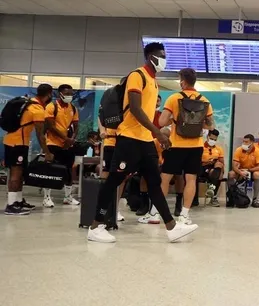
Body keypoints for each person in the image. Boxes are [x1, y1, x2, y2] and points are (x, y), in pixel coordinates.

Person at [87, 42, 198, 243]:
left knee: (154, 183)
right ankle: (96, 226)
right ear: (150, 57)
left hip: (145, 140)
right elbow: (135, 109)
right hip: (129, 138)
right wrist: (157, 133)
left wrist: (154, 135)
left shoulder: (154, 81)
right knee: (114, 180)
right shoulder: (137, 75)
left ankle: (171, 227)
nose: (164, 60)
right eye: (161, 56)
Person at [140, 68, 214, 225]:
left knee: (165, 178)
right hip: (196, 146)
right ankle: (184, 215)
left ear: (183, 82)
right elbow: (211, 126)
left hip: (176, 145)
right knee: (191, 179)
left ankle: (155, 213)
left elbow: (161, 122)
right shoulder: (204, 100)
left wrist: (174, 120)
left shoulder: (174, 98)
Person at [3, 84, 53, 215]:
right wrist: (47, 152)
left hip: (17, 142)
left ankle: (18, 201)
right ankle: (11, 205)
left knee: (20, 173)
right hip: (17, 143)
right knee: (16, 174)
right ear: (49, 94)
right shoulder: (37, 109)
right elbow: (40, 135)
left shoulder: (30, 102)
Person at [42, 84, 80, 207]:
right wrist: (65, 139)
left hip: (68, 145)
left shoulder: (73, 108)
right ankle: (46, 198)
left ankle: (68, 197)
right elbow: (50, 126)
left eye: (71, 94)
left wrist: (72, 139)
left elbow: (76, 125)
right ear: (60, 94)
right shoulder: (51, 106)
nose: (69, 96)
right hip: (53, 143)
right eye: (67, 94)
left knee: (68, 170)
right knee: (51, 170)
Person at [99, 119, 128, 223]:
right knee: (106, 175)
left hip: (124, 142)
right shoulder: (108, 108)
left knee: (121, 175)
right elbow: (100, 117)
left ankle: (115, 208)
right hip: (110, 142)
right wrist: (102, 130)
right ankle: (101, 207)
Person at [229, 134, 259, 206]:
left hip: (252, 170)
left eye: (246, 142)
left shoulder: (257, 151)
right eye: (243, 141)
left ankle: (255, 199)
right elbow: (234, 166)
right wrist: (240, 172)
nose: (244, 143)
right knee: (231, 174)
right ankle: (232, 197)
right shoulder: (239, 150)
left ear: (252, 142)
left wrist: (249, 170)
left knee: (257, 174)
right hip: (240, 170)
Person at [200, 129, 224, 207]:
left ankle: (212, 191)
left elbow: (222, 163)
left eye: (215, 140)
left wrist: (222, 172)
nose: (213, 141)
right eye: (211, 139)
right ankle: (213, 194)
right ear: (207, 137)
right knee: (216, 173)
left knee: (219, 166)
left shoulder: (219, 149)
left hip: (214, 169)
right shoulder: (201, 147)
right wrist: (207, 162)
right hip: (202, 167)